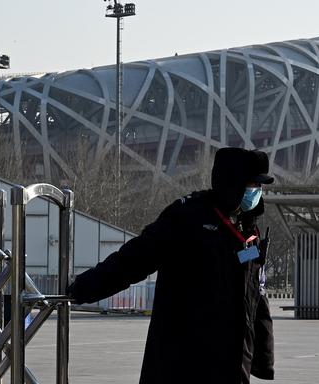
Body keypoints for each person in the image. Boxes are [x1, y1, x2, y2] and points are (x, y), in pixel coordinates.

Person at [68, 147, 275, 384]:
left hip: (233, 363)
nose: (257, 192)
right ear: (232, 181)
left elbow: (256, 297)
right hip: (186, 360)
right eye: (253, 185)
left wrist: (263, 358)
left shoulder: (247, 229)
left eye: (260, 187)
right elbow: (135, 259)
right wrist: (83, 288)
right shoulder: (187, 217)